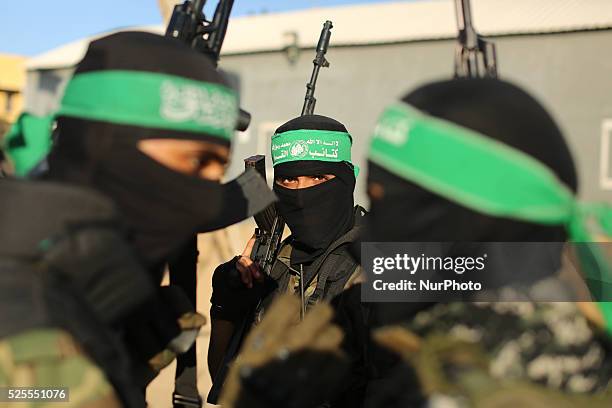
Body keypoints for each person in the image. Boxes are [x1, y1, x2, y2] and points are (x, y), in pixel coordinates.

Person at [0, 31, 274, 407]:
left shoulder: (72, 287)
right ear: (106, 148)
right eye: (196, 162)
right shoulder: (29, 325)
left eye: (219, 169)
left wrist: (119, 374)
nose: (208, 201)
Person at [359, 78, 612, 406]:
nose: (366, 240)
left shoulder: (467, 386)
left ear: (476, 222)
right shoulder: (571, 341)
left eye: (385, 206)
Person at [209, 114, 369, 405]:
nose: (301, 192)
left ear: (347, 180)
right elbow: (228, 390)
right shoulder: (275, 264)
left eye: (319, 177)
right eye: (288, 179)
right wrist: (227, 308)